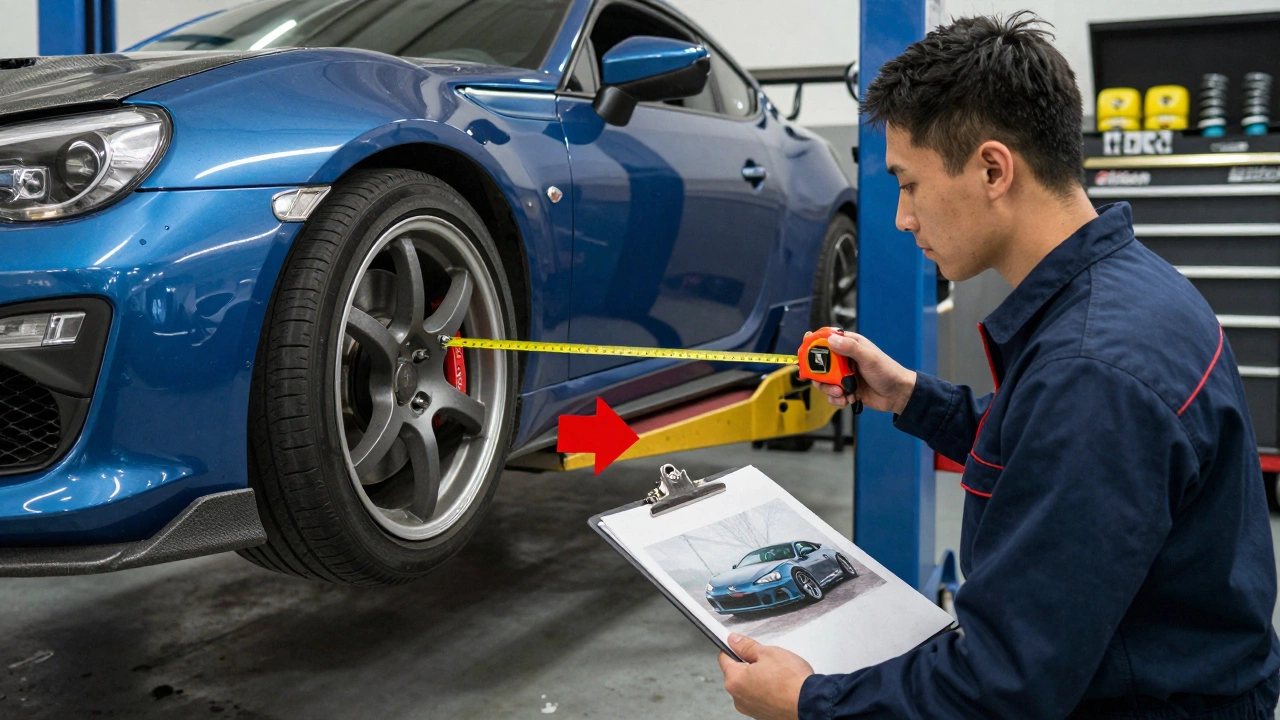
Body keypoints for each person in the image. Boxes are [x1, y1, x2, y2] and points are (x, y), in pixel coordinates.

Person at [717, 12, 1280, 720]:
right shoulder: (1130, 293)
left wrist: (808, 701)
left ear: (992, 168)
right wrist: (915, 398)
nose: (900, 217)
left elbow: (1003, 686)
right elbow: (1050, 458)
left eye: (909, 183)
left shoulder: (1091, 370)